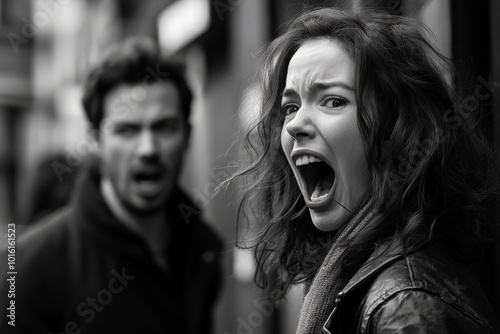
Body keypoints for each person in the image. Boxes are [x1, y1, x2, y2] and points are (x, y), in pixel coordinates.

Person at [228, 8, 500, 334]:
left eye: (332, 101)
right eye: (291, 107)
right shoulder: (356, 281)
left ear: (394, 131)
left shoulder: (405, 306)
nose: (296, 124)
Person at [0, 39, 222, 334]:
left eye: (164, 127)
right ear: (95, 141)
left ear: (187, 134)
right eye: (126, 130)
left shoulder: (201, 249)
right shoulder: (22, 274)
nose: (148, 149)